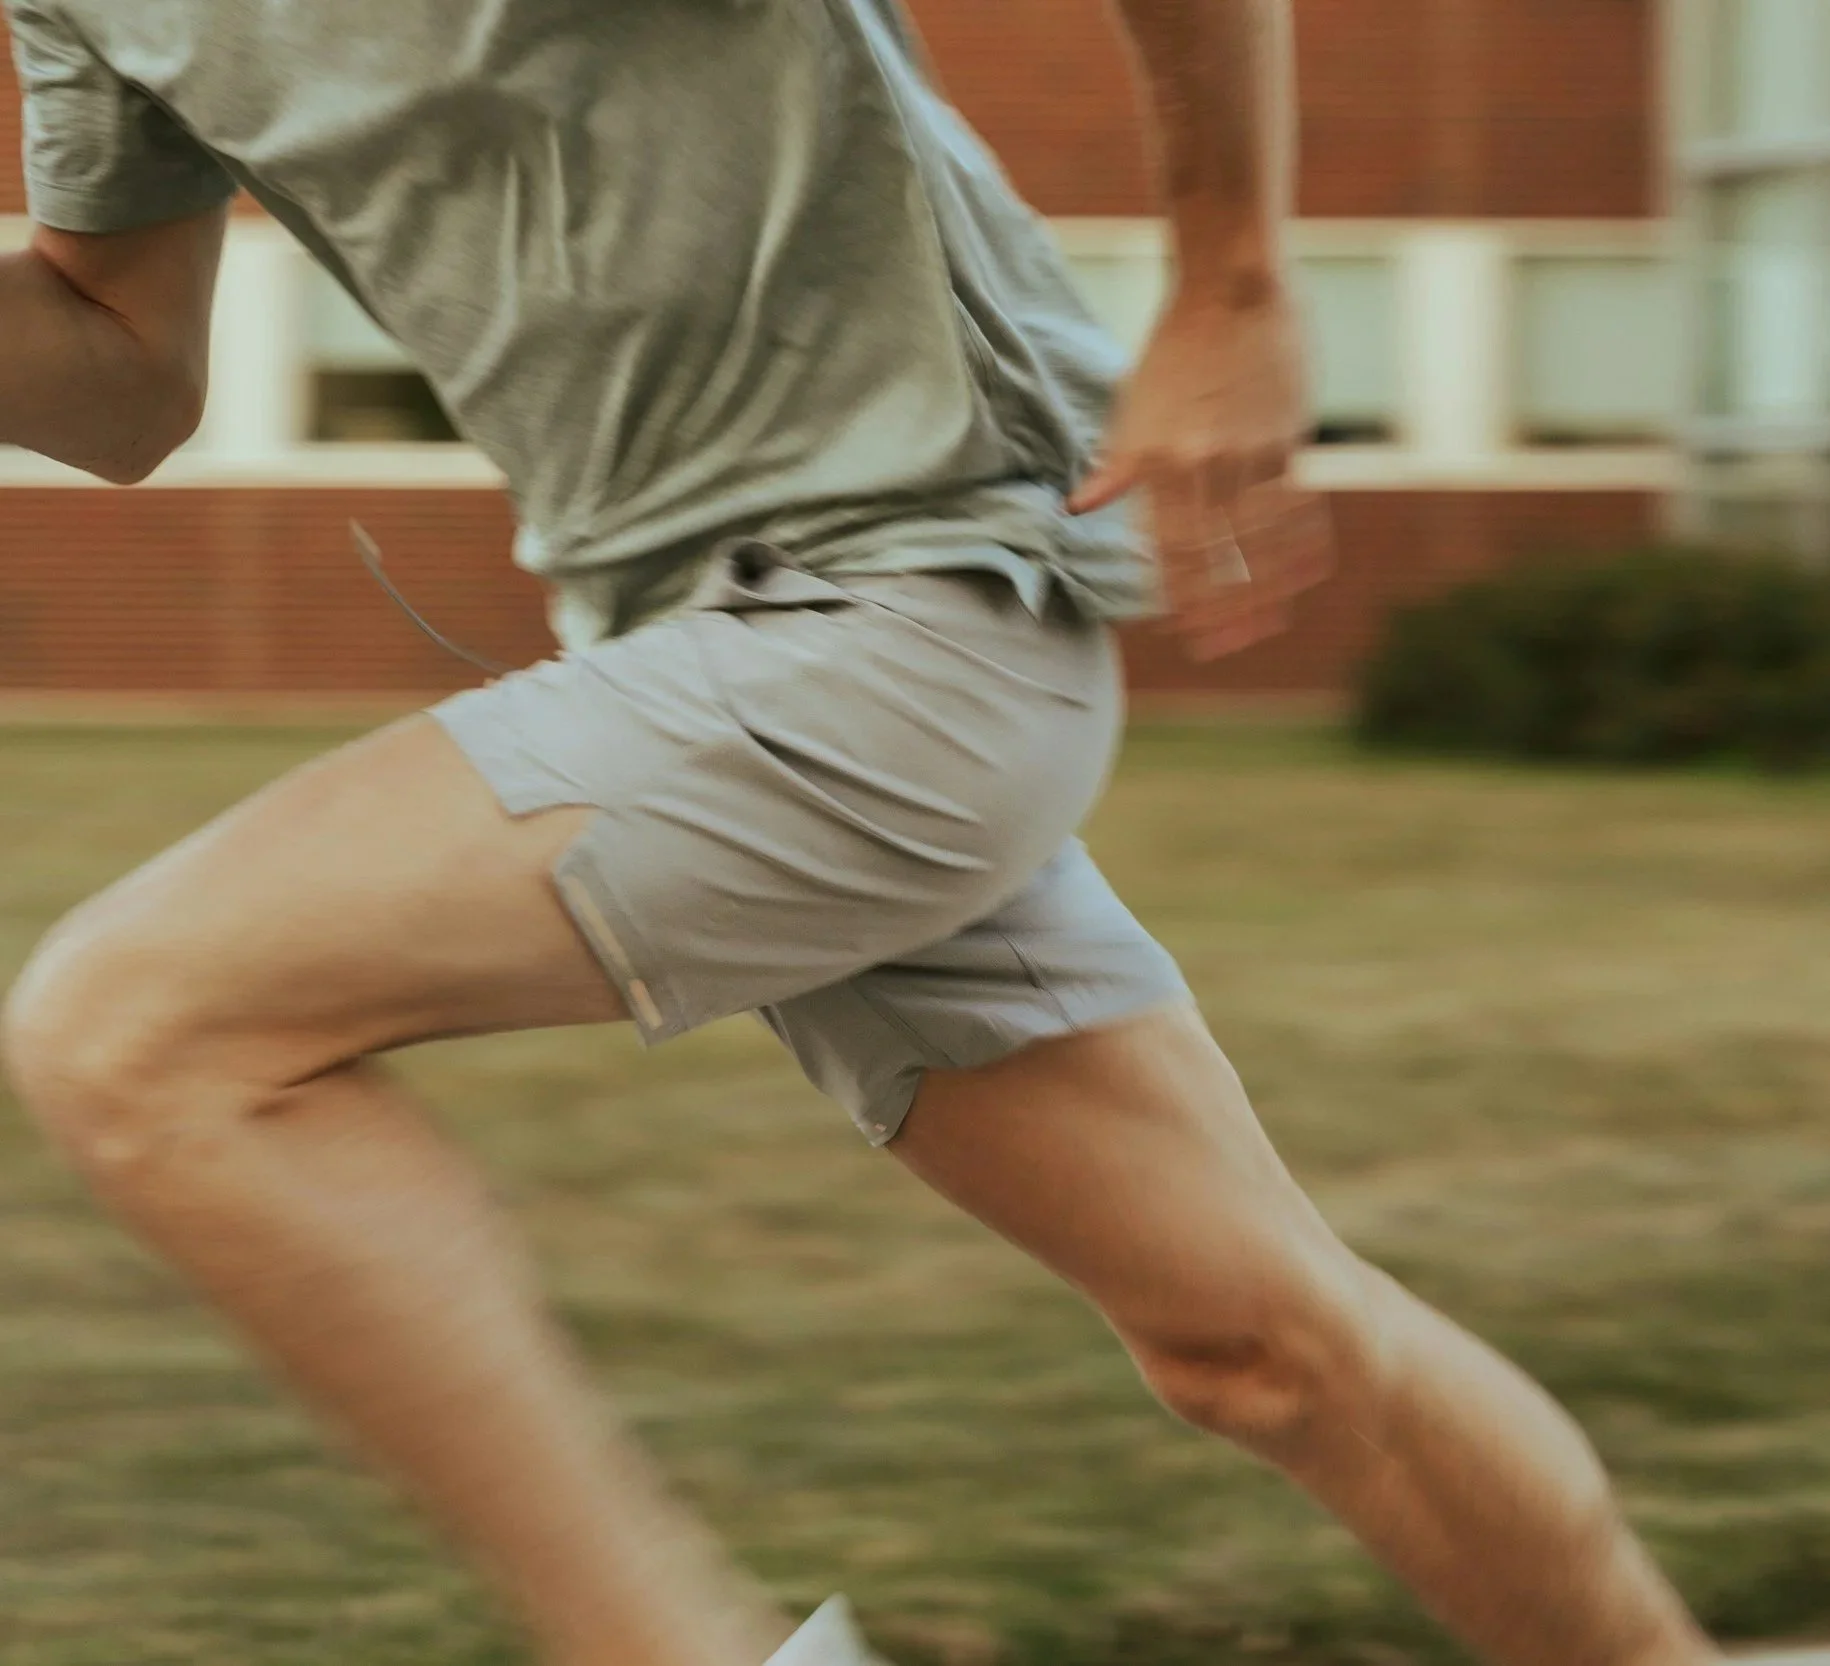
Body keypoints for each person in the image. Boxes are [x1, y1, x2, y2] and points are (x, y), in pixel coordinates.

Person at [0, 3, 1717, 1664]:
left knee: (143, 1033)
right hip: (695, 644)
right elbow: (121, 372)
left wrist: (1234, 286)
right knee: (1259, 1346)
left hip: (917, 593)